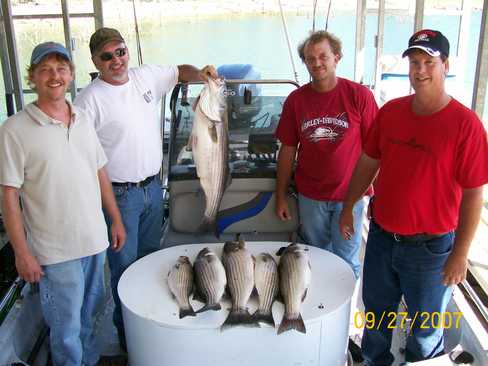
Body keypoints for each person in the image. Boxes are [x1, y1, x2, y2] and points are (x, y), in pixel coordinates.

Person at [339, 29, 488, 365]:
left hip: (431, 250)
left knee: (426, 333)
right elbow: (368, 162)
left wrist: (460, 254)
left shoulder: (466, 125)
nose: (420, 70)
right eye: (414, 62)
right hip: (380, 239)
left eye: (428, 62)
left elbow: (474, 194)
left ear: (445, 65)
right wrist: (349, 205)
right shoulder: (390, 113)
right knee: (375, 321)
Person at [74, 27, 218, 350]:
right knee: (124, 271)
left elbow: (181, 72)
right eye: (107, 56)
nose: (117, 60)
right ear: (95, 61)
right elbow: (80, 158)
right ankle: (129, 339)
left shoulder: (145, 76)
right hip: (119, 198)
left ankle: (152, 327)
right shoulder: (87, 101)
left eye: (121, 51)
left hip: (154, 190)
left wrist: (202, 74)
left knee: (151, 262)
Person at [0, 42, 126, 366]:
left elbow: (100, 171)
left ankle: (90, 361)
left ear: (71, 75)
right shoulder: (14, 130)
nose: (54, 76)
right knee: (66, 331)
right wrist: (21, 253)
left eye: (60, 69)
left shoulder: (83, 118)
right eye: (45, 70)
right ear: (32, 78)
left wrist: (115, 218)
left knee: (90, 317)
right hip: (55, 253)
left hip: (95, 242)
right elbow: (10, 198)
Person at [275, 30, 378, 279]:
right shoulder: (296, 101)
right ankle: (317, 311)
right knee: (314, 257)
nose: (317, 63)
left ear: (337, 58)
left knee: (346, 260)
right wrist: (280, 195)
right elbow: (288, 149)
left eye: (323, 56)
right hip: (311, 197)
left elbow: (376, 150)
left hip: (350, 197)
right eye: (311, 58)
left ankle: (343, 315)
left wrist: (377, 195)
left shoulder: (359, 96)